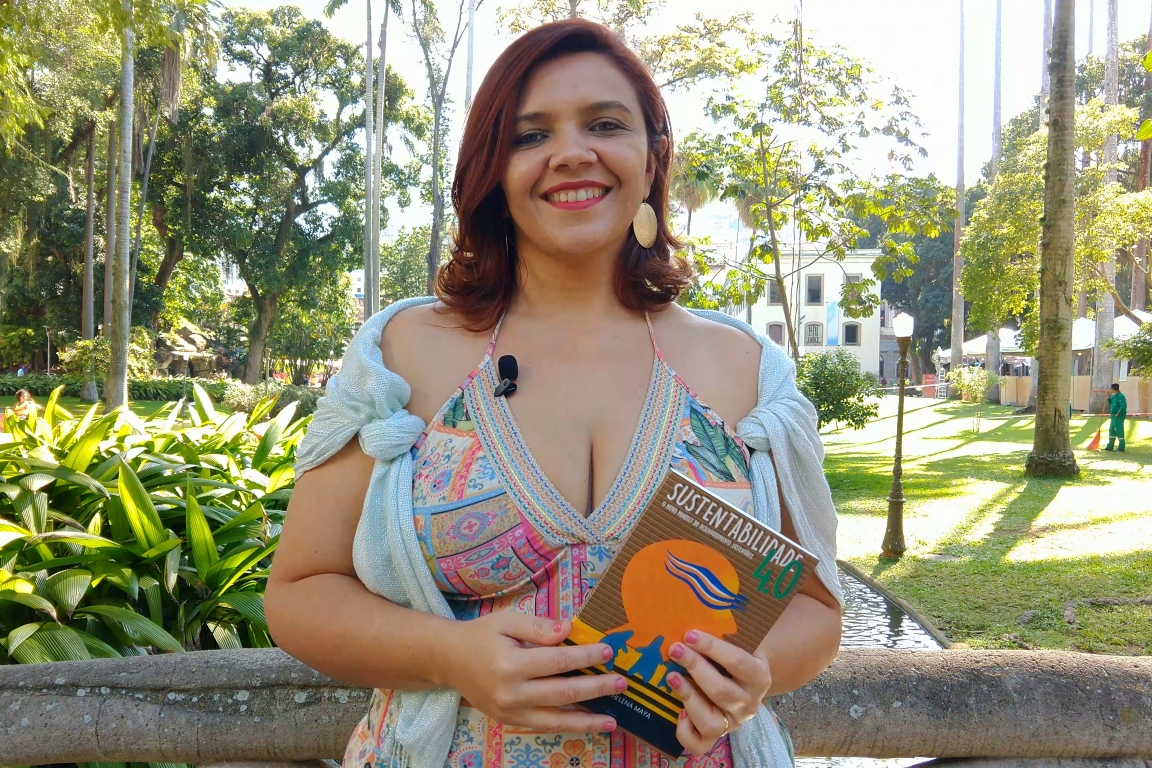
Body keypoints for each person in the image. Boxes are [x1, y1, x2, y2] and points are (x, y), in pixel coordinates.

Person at [266, 20, 842, 768]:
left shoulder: (745, 368)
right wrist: (448, 656)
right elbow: (300, 591)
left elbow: (815, 610)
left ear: (651, 157)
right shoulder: (403, 354)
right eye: (530, 135)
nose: (572, 152)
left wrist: (751, 674)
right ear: (493, 169)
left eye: (605, 124)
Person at [1105, 383, 1127, 452]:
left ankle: (1121, 447)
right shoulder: (1114, 396)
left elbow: (1123, 406)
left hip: (1118, 416)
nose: (1110, 390)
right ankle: (1110, 446)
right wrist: (1108, 396)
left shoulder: (1121, 396)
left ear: (1114, 389)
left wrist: (1118, 413)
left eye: (1111, 388)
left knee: (1119, 430)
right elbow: (1111, 403)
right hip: (1113, 416)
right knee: (1112, 430)